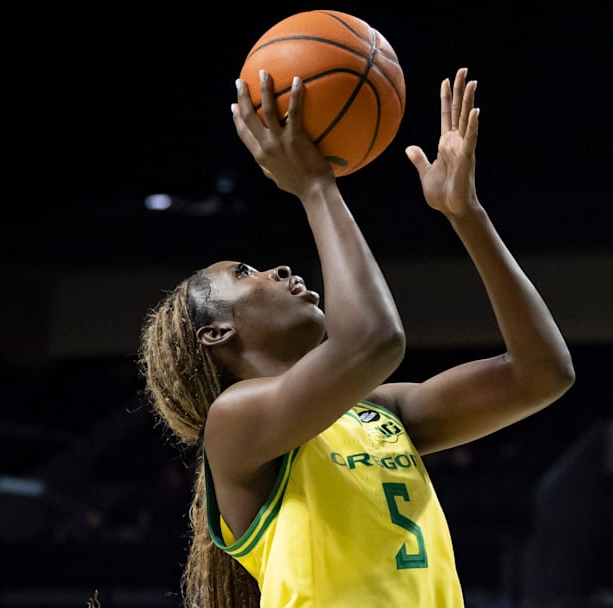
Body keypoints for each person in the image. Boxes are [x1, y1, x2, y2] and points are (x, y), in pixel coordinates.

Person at [136, 66, 575, 608]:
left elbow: (542, 375)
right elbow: (373, 340)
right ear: (216, 332)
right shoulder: (234, 422)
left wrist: (467, 215)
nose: (276, 269)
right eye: (244, 272)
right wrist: (316, 186)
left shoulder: (378, 412)